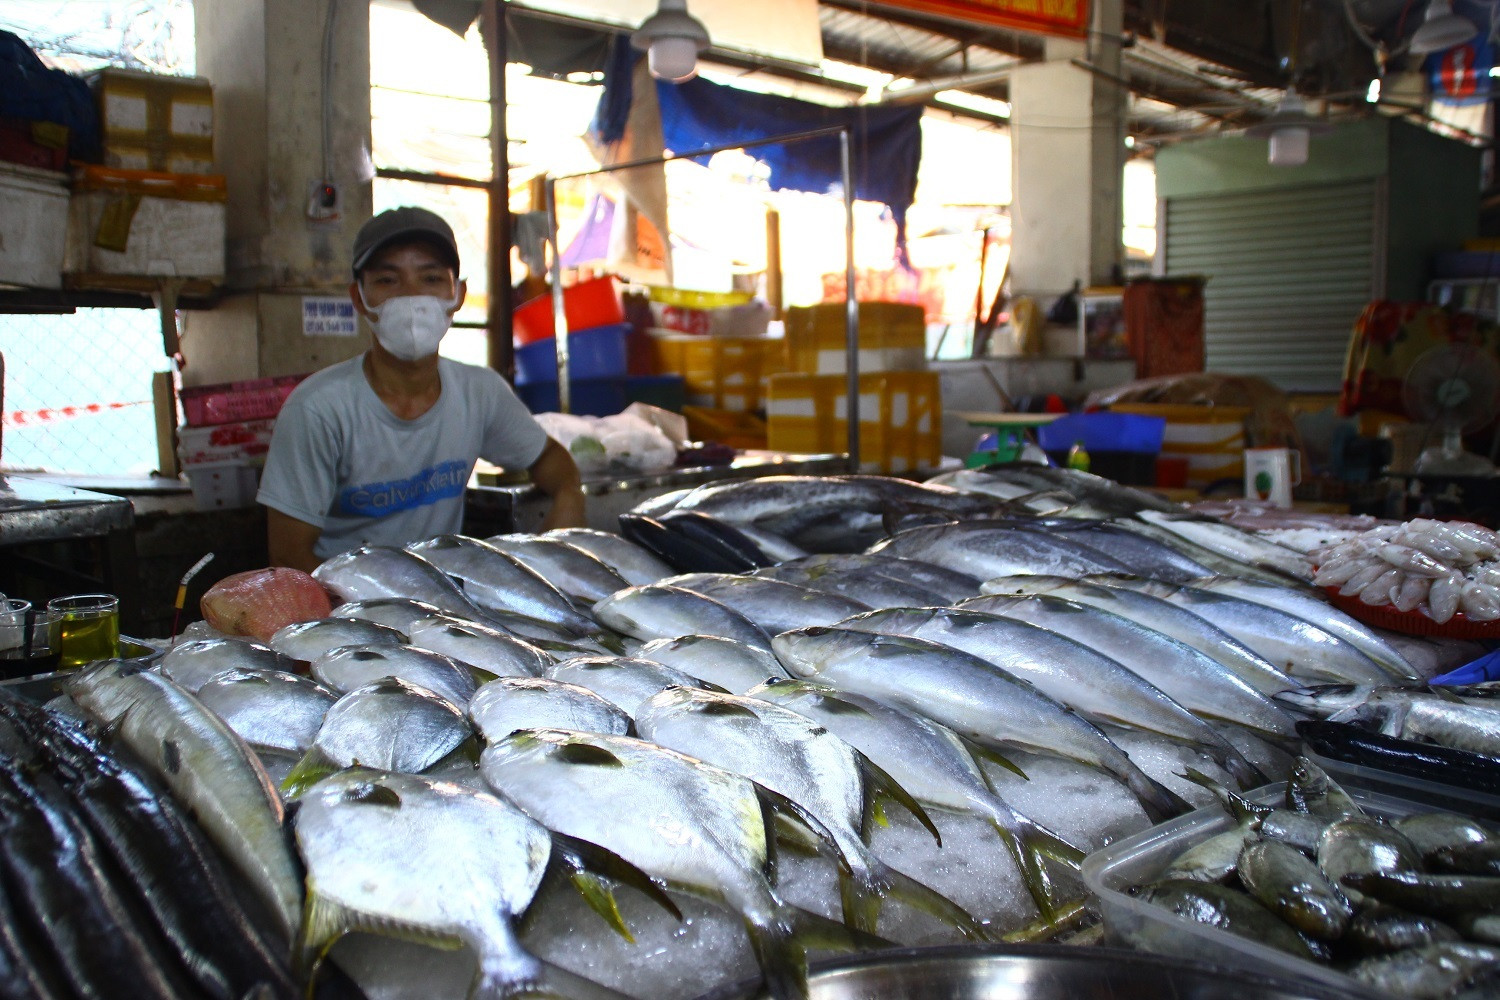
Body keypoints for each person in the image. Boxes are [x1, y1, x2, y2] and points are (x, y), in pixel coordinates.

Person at [258, 206, 585, 573]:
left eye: (430, 279)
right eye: (387, 280)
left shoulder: (479, 392)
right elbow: (288, 557)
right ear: (358, 297)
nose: (412, 297)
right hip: (348, 609)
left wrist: (561, 520)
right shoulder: (318, 408)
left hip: (441, 604)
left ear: (458, 295)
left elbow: (553, 463)